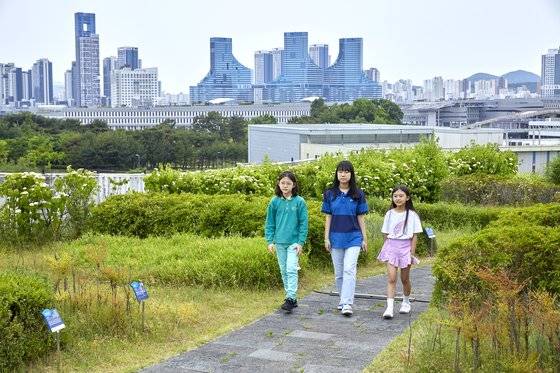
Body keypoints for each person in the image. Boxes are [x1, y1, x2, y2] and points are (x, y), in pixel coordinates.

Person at [322, 160, 368, 316]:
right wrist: (326, 238)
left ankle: (347, 303)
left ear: (351, 174)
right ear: (336, 173)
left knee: (349, 269)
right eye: (340, 171)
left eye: (346, 171)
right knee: (339, 273)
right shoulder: (329, 194)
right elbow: (328, 217)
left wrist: (364, 239)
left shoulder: (358, 194)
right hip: (335, 238)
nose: (343, 174)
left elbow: (361, 217)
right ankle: (342, 300)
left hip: (354, 237)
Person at [265, 171, 308, 313]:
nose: (285, 185)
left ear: (293, 185)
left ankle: (290, 297)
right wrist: (270, 241)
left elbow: (303, 224)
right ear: (279, 184)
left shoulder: (299, 202)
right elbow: (270, 223)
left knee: (291, 269)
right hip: (279, 243)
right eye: (282, 183)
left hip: (293, 243)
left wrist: (301, 242)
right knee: (284, 270)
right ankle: (291, 298)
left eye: (288, 183)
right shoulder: (274, 201)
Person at [377, 185, 422, 319]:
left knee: (404, 279)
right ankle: (389, 308)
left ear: (407, 198)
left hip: (405, 248)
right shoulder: (389, 213)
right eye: (395, 196)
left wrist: (411, 253)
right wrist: (387, 247)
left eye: (401, 196)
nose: (398, 198)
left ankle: (406, 301)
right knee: (391, 278)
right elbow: (385, 233)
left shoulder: (412, 215)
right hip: (391, 246)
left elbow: (414, 236)